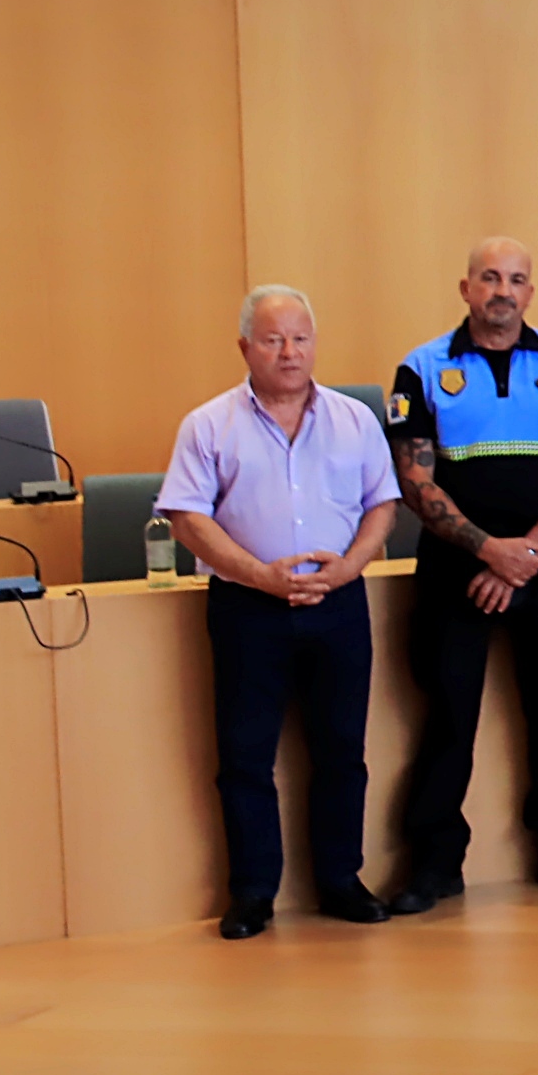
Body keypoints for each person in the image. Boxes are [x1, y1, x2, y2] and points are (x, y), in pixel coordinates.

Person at [158, 286, 401, 939]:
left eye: (300, 338)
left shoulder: (355, 419)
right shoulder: (208, 424)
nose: (289, 352)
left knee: (341, 751)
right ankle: (253, 893)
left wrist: (349, 567)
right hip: (247, 607)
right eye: (272, 340)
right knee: (245, 756)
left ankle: (340, 880)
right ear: (245, 348)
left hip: (338, 602)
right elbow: (187, 516)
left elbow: (382, 503)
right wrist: (259, 575)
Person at [381, 236, 538, 912]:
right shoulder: (421, 367)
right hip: (455, 567)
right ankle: (433, 863)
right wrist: (489, 551)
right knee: (448, 714)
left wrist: (525, 555)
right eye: (489, 278)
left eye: (515, 279)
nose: (502, 291)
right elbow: (415, 481)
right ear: (467, 289)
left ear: (530, 292)